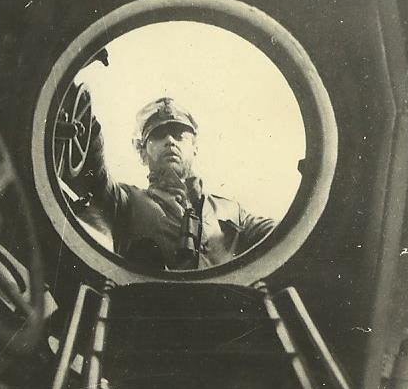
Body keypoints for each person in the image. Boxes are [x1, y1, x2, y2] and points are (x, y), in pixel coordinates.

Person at [82, 96, 277, 270]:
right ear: (143, 153)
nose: (170, 140)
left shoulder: (232, 211)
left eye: (179, 135)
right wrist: (86, 121)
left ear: (194, 147)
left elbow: (281, 235)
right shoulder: (126, 200)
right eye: (158, 136)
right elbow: (95, 174)